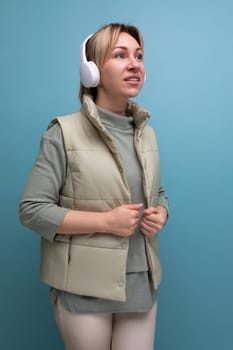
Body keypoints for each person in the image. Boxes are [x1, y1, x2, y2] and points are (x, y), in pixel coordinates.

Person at [19, 23, 169, 350]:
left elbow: (156, 193)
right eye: (120, 55)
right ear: (91, 71)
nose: (135, 64)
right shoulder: (63, 133)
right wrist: (105, 222)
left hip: (140, 282)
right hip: (83, 287)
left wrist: (162, 213)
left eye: (139, 56)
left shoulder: (147, 134)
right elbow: (32, 211)